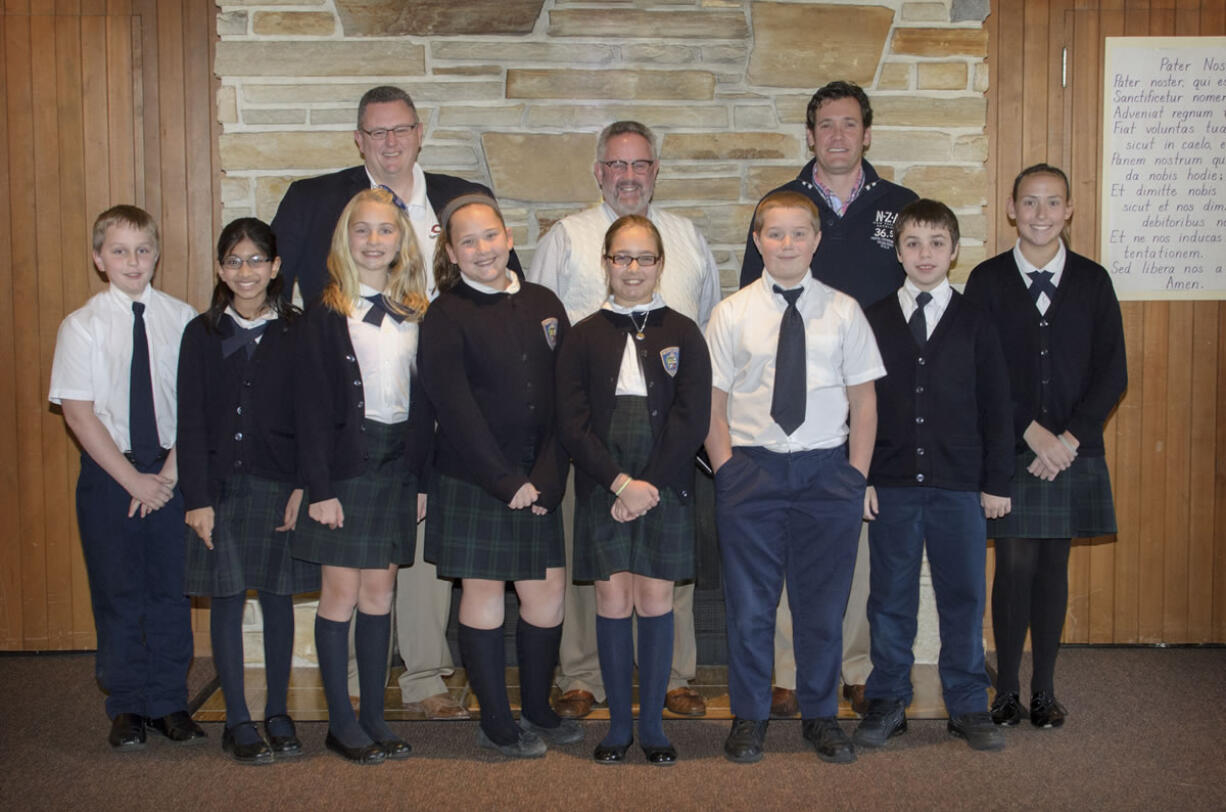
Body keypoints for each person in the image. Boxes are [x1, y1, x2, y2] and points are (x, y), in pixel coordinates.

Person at [273, 85, 517, 718]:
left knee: (409, 546)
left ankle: (425, 677)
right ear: (359, 139)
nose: (389, 143)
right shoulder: (315, 199)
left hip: (435, 399)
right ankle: (352, 690)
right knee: (348, 577)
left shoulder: (461, 198)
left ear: (419, 131)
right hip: (350, 418)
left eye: (400, 130)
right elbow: (281, 310)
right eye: (375, 133)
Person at [529, 120, 720, 720]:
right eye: (616, 165)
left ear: (656, 171)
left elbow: (705, 327)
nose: (629, 176)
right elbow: (542, 331)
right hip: (593, 437)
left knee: (666, 573)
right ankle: (586, 676)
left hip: (669, 437)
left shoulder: (689, 238)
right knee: (597, 567)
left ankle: (673, 678)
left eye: (640, 165)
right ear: (598, 171)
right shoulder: (566, 236)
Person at [739, 81, 918, 718]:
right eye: (825, 125)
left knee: (857, 535)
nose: (837, 135)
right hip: (796, 399)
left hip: (874, 397)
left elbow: (917, 297)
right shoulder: (782, 205)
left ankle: (856, 665)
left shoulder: (901, 206)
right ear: (810, 135)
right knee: (790, 542)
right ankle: (789, 670)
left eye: (849, 124)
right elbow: (750, 300)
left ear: (867, 134)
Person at [706, 191, 884, 765]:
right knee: (751, 605)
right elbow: (713, 399)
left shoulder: (844, 311)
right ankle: (751, 715)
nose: (787, 244)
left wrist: (855, 475)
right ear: (757, 240)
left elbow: (865, 400)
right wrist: (727, 467)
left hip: (826, 473)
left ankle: (821, 715)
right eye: (775, 233)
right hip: (751, 470)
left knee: (822, 605)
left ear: (816, 239)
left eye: (798, 233)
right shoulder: (731, 314)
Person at [964, 164, 1126, 730]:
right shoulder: (985, 282)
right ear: (1011, 209)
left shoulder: (1093, 281)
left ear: (1069, 211)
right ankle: (1005, 690)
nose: (1040, 214)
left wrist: (1069, 438)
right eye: (1029, 203)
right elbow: (979, 371)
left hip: (1072, 450)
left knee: (1053, 565)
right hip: (1011, 447)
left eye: (1051, 203)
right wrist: (1028, 431)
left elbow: (1113, 372)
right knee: (1013, 564)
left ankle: (1044, 692)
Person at [419, 195, 578, 759]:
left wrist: (549, 474)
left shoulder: (544, 301)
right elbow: (453, 409)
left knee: (548, 593)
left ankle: (537, 707)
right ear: (452, 252)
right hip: (475, 479)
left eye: (490, 236)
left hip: (541, 476)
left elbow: (566, 396)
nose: (482, 249)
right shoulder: (444, 314)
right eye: (468, 241)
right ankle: (496, 721)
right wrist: (506, 481)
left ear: (509, 238)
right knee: (483, 593)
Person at [855, 199, 1011, 753]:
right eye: (914, 244)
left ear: (955, 251)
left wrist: (996, 483)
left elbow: (998, 407)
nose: (926, 254)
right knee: (890, 597)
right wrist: (862, 476)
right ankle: (888, 698)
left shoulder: (977, 322)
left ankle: (968, 703)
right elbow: (856, 406)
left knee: (963, 596)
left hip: (959, 487)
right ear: (898, 252)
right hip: (892, 485)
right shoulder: (870, 320)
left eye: (937, 243)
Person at [556, 216, 711, 765]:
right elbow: (572, 423)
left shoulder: (684, 332)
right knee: (613, 597)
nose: (633, 269)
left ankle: (653, 728)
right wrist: (621, 483)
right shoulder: (582, 335)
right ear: (605, 263)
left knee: (655, 598)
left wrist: (649, 484)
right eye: (622, 258)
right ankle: (618, 726)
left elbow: (692, 418)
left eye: (645, 258)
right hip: (604, 480)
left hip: (664, 478)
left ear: (661, 265)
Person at [49, 205, 201, 750]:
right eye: (119, 251)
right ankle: (127, 705)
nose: (132, 261)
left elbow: (197, 406)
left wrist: (166, 474)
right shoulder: (82, 326)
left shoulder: (184, 319)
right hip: (110, 474)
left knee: (170, 589)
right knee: (117, 590)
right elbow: (78, 412)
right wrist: (133, 481)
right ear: (98, 259)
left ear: (156, 255)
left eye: (142, 250)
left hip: (170, 469)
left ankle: (169, 702)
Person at [293, 188, 430, 764]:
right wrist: (319, 488)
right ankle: (340, 720)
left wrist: (421, 478)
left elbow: (425, 403)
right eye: (362, 230)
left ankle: (374, 714)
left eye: (386, 230)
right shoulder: (326, 312)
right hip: (346, 466)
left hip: (397, 463)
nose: (374, 241)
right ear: (344, 240)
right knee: (341, 593)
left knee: (381, 593)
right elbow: (308, 406)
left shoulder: (417, 310)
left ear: (402, 240)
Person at [177, 218, 319, 764]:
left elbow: (312, 416)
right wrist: (196, 498)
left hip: (280, 486)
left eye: (257, 260)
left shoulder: (298, 330)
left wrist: (305, 485)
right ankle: (237, 717)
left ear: (276, 267)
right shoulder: (201, 333)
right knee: (228, 600)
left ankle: (277, 713)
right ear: (220, 268)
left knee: (280, 598)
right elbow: (189, 422)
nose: (246, 271)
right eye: (234, 261)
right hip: (220, 491)